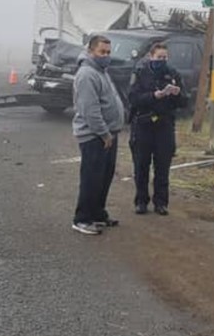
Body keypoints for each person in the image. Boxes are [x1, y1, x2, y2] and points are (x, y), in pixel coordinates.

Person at [70, 34, 125, 235]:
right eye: (102, 52)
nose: (106, 56)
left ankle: (97, 213)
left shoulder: (102, 71)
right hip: (95, 136)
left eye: (108, 52)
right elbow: (89, 110)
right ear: (91, 51)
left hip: (109, 134)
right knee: (91, 178)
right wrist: (104, 133)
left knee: (104, 177)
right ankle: (82, 218)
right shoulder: (87, 74)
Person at [127, 42, 186, 216]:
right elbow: (132, 98)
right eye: (159, 57)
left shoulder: (172, 74)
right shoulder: (140, 73)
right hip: (143, 124)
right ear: (151, 57)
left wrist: (177, 94)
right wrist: (154, 95)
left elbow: (184, 101)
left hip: (164, 125)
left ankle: (161, 203)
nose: (162, 60)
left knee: (162, 168)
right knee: (141, 166)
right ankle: (141, 201)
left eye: (165, 57)